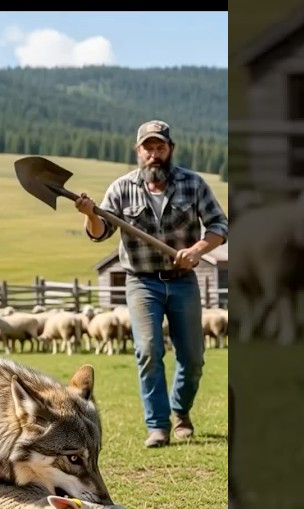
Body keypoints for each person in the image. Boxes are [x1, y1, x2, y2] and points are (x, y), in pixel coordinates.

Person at [74, 120, 229, 449]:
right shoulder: (121, 188)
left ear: (170, 149)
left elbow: (219, 224)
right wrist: (90, 214)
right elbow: (100, 231)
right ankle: (157, 426)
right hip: (141, 282)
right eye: (148, 148)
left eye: (160, 147)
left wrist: (197, 250)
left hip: (183, 280)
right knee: (148, 352)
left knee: (193, 358)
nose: (154, 154)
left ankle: (180, 412)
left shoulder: (193, 184)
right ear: (138, 151)